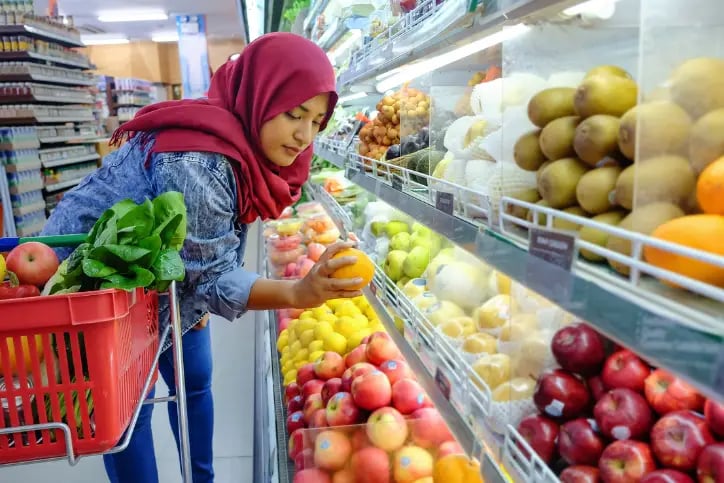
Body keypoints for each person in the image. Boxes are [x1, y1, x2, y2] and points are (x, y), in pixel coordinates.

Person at [41, 32, 361, 483]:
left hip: (166, 273)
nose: (304, 135)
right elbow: (212, 278)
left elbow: (206, 266)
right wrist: (297, 291)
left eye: (316, 120)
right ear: (260, 96)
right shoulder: (200, 162)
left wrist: (202, 283)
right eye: (293, 113)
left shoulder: (242, 144)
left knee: (195, 380)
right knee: (129, 410)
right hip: (99, 285)